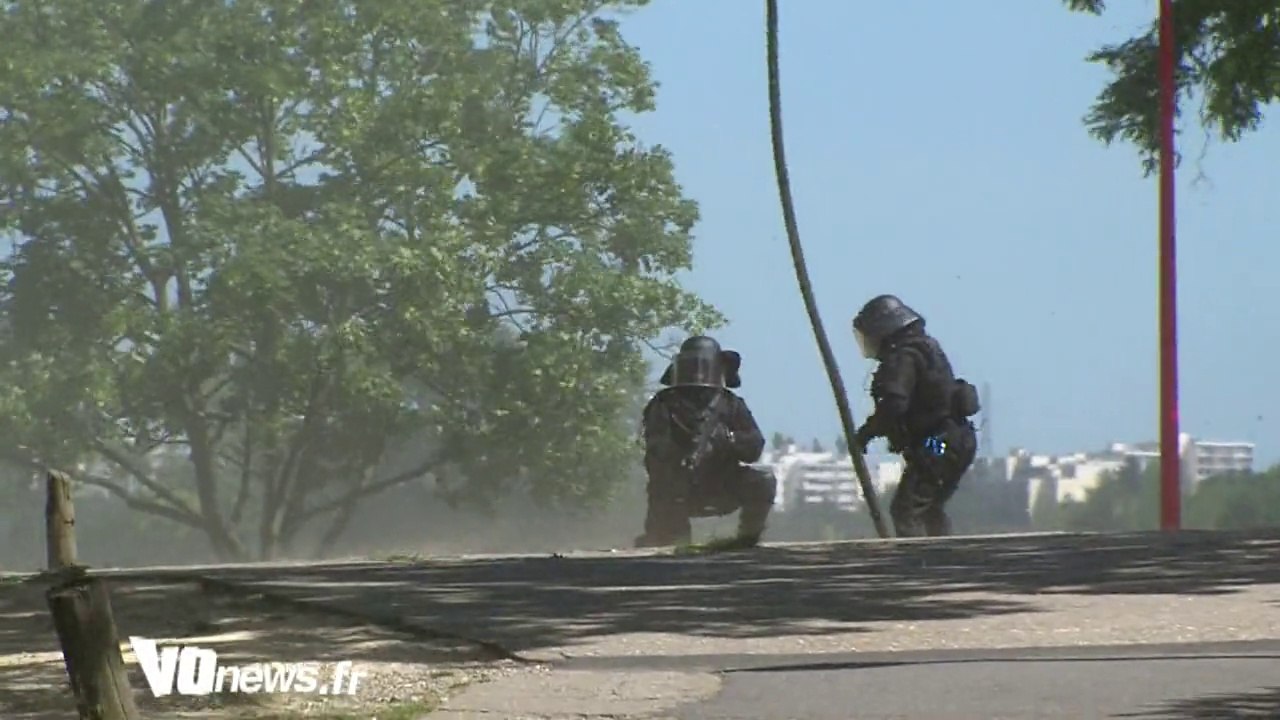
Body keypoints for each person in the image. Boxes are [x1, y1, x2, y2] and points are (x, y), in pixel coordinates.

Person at [851, 295, 980, 537]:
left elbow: (895, 404)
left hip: (939, 443)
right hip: (955, 439)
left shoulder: (904, 357)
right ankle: (943, 559)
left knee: (907, 509)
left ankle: (917, 565)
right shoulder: (925, 348)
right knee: (929, 508)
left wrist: (866, 433)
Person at [634, 335, 778, 548]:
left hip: (722, 482)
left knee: (763, 481)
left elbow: (754, 446)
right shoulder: (664, 404)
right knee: (671, 545)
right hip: (676, 488)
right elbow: (656, 449)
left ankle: (747, 538)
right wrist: (680, 455)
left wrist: (729, 441)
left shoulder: (730, 403)